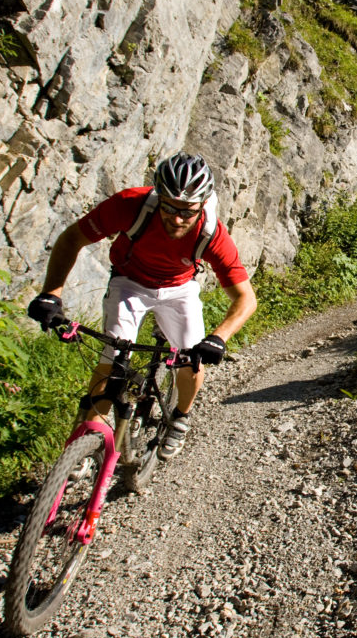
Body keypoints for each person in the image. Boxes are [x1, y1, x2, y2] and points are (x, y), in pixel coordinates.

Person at [27, 152, 257, 459]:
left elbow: (246, 298)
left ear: (202, 204)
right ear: (158, 197)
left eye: (187, 211)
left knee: (192, 361)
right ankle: (83, 446)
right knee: (113, 360)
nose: (177, 218)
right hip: (129, 283)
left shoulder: (212, 233)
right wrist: (50, 293)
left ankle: (180, 418)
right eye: (169, 207)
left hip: (179, 289)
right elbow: (72, 239)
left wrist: (218, 338)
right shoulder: (130, 205)